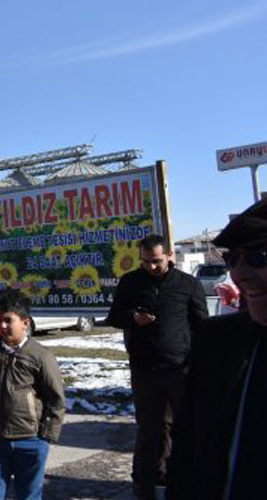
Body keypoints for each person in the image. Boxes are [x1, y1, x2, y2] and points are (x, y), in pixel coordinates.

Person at [167, 199, 267, 499]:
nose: (239, 274)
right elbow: (186, 450)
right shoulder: (217, 341)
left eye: (259, 257)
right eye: (232, 259)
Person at [105, 234, 207, 499]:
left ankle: (184, 480)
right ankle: (145, 482)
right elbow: (113, 317)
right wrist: (132, 318)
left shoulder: (188, 284)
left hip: (180, 369)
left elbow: (202, 326)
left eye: (157, 261)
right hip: (145, 370)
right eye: (146, 262)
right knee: (149, 429)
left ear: (170, 255)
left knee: (184, 427)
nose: (151, 267)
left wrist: (199, 361)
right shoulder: (130, 282)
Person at [0, 289, 65, 500]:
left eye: (8, 320)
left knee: (28, 496)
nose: (1, 326)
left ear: (25, 323)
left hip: (30, 442)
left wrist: (45, 438)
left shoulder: (40, 356)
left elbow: (55, 399)